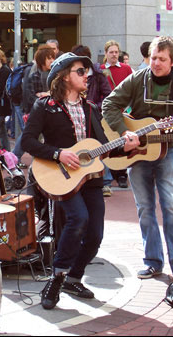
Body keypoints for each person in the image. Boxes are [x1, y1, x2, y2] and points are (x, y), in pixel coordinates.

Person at [21, 52, 137, 309]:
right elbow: (27, 142)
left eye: (87, 71)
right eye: (80, 71)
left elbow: (103, 147)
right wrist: (58, 153)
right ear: (63, 77)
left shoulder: (91, 108)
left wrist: (129, 146)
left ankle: (74, 277)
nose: (87, 75)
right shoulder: (46, 107)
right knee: (78, 219)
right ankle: (57, 277)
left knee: (95, 235)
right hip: (61, 179)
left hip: (91, 179)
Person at [103, 36, 173, 280]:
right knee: (145, 209)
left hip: (165, 153)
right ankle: (153, 261)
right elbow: (109, 105)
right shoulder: (137, 79)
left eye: (162, 59)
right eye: (153, 58)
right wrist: (125, 132)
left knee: (171, 207)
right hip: (136, 155)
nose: (155, 63)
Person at [71, 44, 114, 196]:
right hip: (78, 113)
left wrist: (96, 106)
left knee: (99, 145)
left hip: (94, 114)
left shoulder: (97, 74)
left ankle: (106, 181)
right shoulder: (74, 73)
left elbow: (108, 94)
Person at [14, 44, 56, 166]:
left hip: (45, 109)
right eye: (49, 58)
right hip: (32, 110)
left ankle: (21, 159)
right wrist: (45, 97)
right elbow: (29, 94)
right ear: (42, 59)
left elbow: (54, 92)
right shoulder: (31, 71)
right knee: (30, 136)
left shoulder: (52, 73)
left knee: (32, 136)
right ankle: (15, 158)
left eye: (53, 57)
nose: (52, 61)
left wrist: (44, 94)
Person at [100, 40, 133, 189]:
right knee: (108, 141)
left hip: (123, 112)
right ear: (106, 53)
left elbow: (133, 89)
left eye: (116, 52)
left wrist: (130, 109)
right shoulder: (100, 70)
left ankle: (121, 174)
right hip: (105, 112)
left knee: (123, 140)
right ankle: (110, 171)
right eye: (111, 52)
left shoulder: (126, 69)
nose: (114, 55)